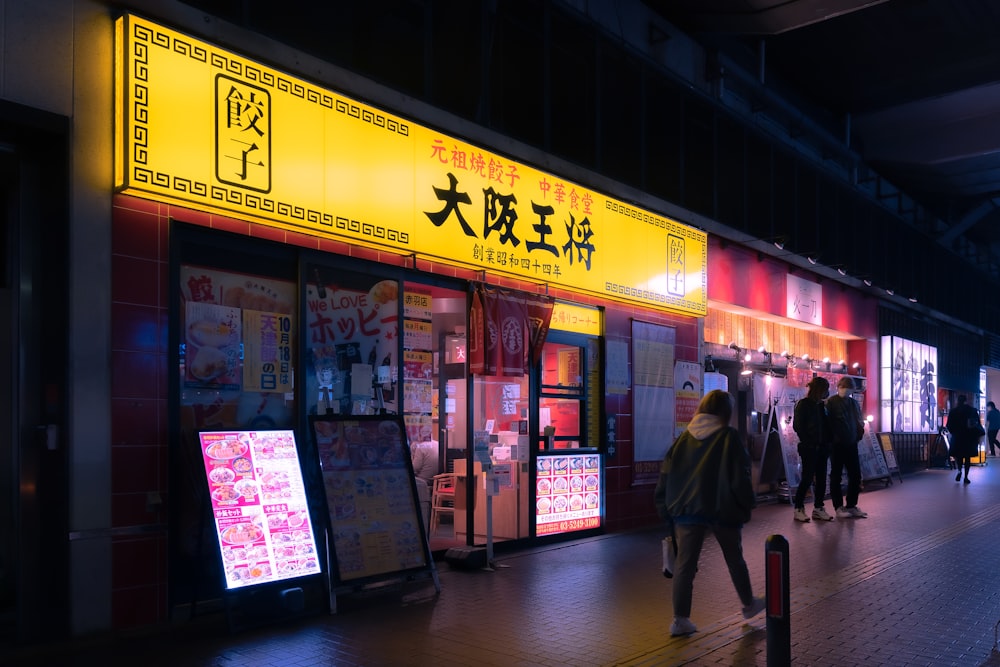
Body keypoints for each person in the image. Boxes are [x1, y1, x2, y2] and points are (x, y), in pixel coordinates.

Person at [653, 389, 765, 637]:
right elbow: (740, 478)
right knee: (735, 559)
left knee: (684, 566)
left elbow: (665, 478)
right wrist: (747, 504)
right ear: (726, 412)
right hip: (722, 509)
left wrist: (665, 510)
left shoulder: (682, 440)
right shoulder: (729, 437)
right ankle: (748, 604)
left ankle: (680, 620)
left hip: (686, 510)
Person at [791, 377, 834, 522]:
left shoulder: (822, 406)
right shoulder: (803, 404)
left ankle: (818, 508)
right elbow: (798, 426)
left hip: (822, 447)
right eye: (825, 389)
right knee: (807, 478)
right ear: (820, 390)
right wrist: (809, 440)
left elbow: (827, 426)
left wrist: (828, 442)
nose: (827, 393)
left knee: (822, 478)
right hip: (809, 447)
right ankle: (798, 508)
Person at [826, 377, 868, 518]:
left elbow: (859, 420)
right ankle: (838, 507)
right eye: (843, 386)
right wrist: (833, 439)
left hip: (851, 443)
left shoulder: (854, 403)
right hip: (837, 445)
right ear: (838, 387)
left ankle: (851, 505)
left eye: (848, 387)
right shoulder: (830, 402)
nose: (845, 389)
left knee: (855, 475)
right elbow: (828, 423)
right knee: (836, 476)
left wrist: (858, 435)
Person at [947, 395, 981, 483]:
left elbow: (949, 425)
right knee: (967, 457)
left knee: (959, 456)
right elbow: (977, 424)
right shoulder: (972, 411)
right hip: (969, 437)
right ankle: (966, 477)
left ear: (958, 400)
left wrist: (954, 432)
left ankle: (959, 470)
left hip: (958, 437)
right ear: (966, 400)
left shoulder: (953, 411)